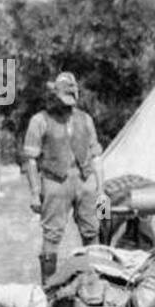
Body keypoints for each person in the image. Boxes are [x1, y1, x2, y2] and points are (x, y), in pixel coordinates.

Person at [21, 72, 105, 285]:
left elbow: (97, 157)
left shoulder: (86, 119)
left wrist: (102, 192)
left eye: (71, 98)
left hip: (86, 181)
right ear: (53, 97)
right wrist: (34, 194)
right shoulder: (39, 121)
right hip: (54, 183)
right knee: (52, 235)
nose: (67, 104)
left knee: (93, 230)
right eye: (63, 99)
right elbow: (30, 160)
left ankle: (93, 284)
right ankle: (48, 289)